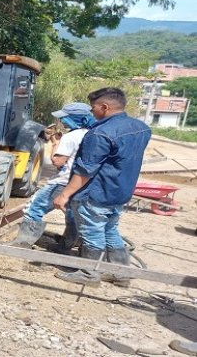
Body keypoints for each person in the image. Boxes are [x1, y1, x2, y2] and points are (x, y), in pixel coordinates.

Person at [53, 87, 151, 287]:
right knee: (110, 230)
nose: (92, 112)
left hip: (97, 193)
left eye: (93, 108)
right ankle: (120, 274)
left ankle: (89, 274)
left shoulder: (100, 134)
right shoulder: (141, 128)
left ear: (104, 107)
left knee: (92, 232)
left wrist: (64, 195)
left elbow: (85, 171)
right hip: (120, 192)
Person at [10, 102, 95, 249]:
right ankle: (68, 244)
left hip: (62, 181)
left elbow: (57, 161)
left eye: (64, 118)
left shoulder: (71, 137)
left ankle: (23, 242)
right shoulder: (91, 134)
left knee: (34, 208)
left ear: (73, 118)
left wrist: (55, 143)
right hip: (81, 182)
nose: (61, 121)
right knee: (72, 213)